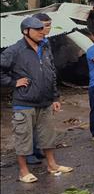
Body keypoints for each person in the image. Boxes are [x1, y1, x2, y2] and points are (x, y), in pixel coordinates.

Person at [0, 17, 73, 183]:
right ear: (26, 31)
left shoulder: (45, 47)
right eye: (37, 29)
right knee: (23, 137)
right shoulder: (15, 50)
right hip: (24, 102)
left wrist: (55, 96)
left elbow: (51, 72)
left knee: (47, 136)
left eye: (42, 28)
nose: (42, 32)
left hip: (45, 101)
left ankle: (52, 165)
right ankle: (23, 171)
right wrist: (12, 82)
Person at [22, 13, 54, 165]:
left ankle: (37, 150)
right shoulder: (22, 46)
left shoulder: (46, 44)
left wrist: (54, 95)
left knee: (41, 124)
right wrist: (14, 82)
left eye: (48, 25)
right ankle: (28, 153)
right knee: (28, 125)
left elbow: (50, 68)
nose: (45, 29)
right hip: (29, 93)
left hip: (43, 92)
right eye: (42, 26)